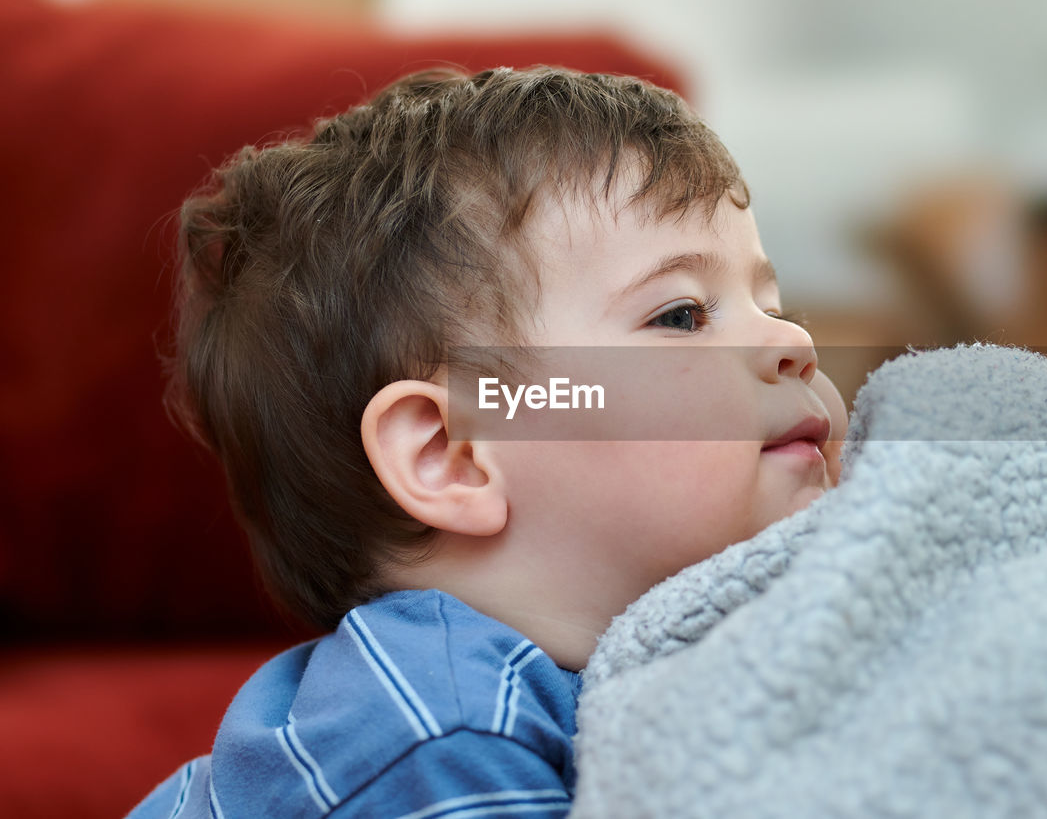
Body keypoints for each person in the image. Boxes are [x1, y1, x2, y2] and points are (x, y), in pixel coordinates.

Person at [128, 66, 848, 819]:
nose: (793, 340)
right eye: (681, 316)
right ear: (454, 454)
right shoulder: (441, 734)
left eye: (773, 304)